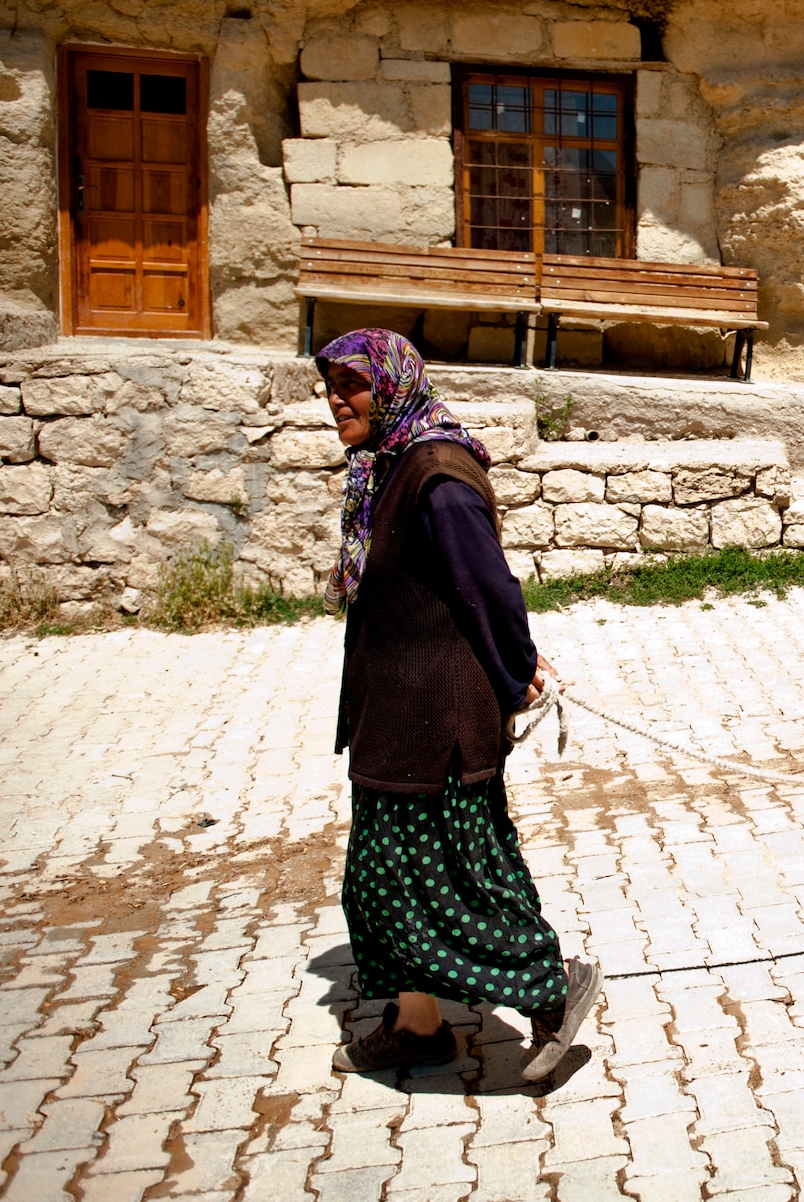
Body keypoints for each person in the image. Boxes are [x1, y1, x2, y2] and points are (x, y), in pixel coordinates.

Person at [316, 328, 600, 1080]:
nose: (338, 399)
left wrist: (518, 670)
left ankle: (551, 989)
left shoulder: (437, 476)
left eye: (353, 384)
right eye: (332, 386)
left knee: (456, 884)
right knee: (390, 880)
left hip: (434, 727)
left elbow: (486, 588)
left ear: (392, 387)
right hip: (397, 720)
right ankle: (418, 1026)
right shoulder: (392, 464)